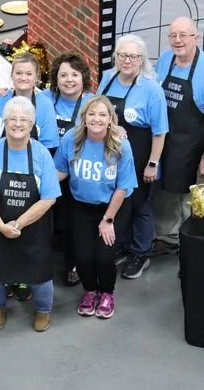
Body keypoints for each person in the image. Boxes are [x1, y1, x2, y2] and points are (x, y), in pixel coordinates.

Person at [0, 96, 61, 332]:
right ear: (4, 122)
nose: (18, 124)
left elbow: (49, 198)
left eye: (24, 120)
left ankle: (43, 310)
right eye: (12, 119)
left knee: (39, 274)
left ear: (32, 125)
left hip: (34, 228)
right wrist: (0, 225)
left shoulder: (41, 154)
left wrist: (18, 224)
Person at [0, 51, 58, 301]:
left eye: (28, 73)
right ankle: (7, 283)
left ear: (37, 77)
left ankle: (25, 282)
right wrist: (0, 157)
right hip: (0, 172)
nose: (23, 77)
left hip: (32, 177)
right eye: (18, 73)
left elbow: (49, 145)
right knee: (1, 248)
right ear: (11, 76)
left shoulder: (44, 104)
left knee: (30, 244)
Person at [54, 95, 137, 319]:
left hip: (112, 208)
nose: (96, 119)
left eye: (102, 114)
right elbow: (60, 171)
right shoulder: (71, 139)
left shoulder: (121, 146)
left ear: (111, 119)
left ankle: (107, 293)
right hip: (81, 206)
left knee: (103, 257)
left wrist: (107, 220)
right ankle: (90, 291)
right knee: (82, 257)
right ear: (84, 117)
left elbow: (123, 187)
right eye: (92, 114)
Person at [98, 34, 168, 279]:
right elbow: (98, 109)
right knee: (120, 201)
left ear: (142, 60)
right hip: (110, 154)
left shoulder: (151, 89)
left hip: (140, 155)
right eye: (122, 55)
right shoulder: (108, 77)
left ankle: (140, 253)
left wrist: (152, 164)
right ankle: (123, 245)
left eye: (133, 56)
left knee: (140, 204)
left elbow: (160, 132)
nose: (127, 61)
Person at [42, 52, 94, 286]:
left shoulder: (92, 103)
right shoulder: (44, 98)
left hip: (76, 173)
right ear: (56, 78)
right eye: (63, 75)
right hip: (46, 171)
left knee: (73, 222)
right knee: (48, 219)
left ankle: (73, 264)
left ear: (83, 77)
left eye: (74, 74)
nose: (69, 80)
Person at [153, 16, 204, 253]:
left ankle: (190, 244)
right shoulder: (165, 60)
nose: (178, 40)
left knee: (190, 197)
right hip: (166, 141)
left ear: (197, 38)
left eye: (184, 35)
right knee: (166, 192)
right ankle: (169, 237)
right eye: (173, 35)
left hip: (192, 145)